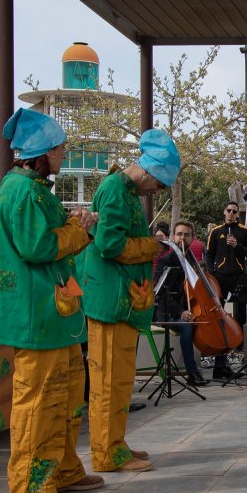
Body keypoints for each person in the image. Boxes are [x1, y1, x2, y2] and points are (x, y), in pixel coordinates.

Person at [0, 107, 101, 493]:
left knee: (67, 394)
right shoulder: (23, 192)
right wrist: (79, 228)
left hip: (54, 314)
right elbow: (38, 247)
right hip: (35, 314)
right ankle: (30, 484)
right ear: (42, 153)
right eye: (60, 149)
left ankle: (63, 470)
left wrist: (74, 226)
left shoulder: (34, 190)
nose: (64, 155)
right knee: (39, 399)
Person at [83, 128, 181, 474]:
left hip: (122, 300)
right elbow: (109, 245)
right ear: (148, 170)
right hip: (110, 300)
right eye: (159, 184)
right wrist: (151, 246)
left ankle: (115, 443)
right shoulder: (114, 189)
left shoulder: (125, 191)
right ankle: (105, 453)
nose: (157, 191)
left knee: (121, 379)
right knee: (108, 380)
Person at [153, 220, 210, 387]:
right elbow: (163, 295)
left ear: (193, 238)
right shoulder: (166, 261)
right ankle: (192, 372)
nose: (182, 238)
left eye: (186, 235)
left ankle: (221, 364)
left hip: (188, 310)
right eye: (179, 234)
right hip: (168, 314)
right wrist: (180, 312)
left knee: (213, 323)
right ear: (172, 237)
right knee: (186, 326)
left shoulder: (193, 262)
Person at [204, 200, 247, 378]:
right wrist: (212, 274)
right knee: (218, 310)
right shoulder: (216, 231)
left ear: (238, 213)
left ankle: (239, 342)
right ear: (224, 212)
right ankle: (220, 347)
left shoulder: (244, 230)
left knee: (242, 308)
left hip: (239, 275)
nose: (231, 213)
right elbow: (209, 254)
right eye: (229, 210)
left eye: (234, 211)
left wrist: (236, 246)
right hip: (221, 276)